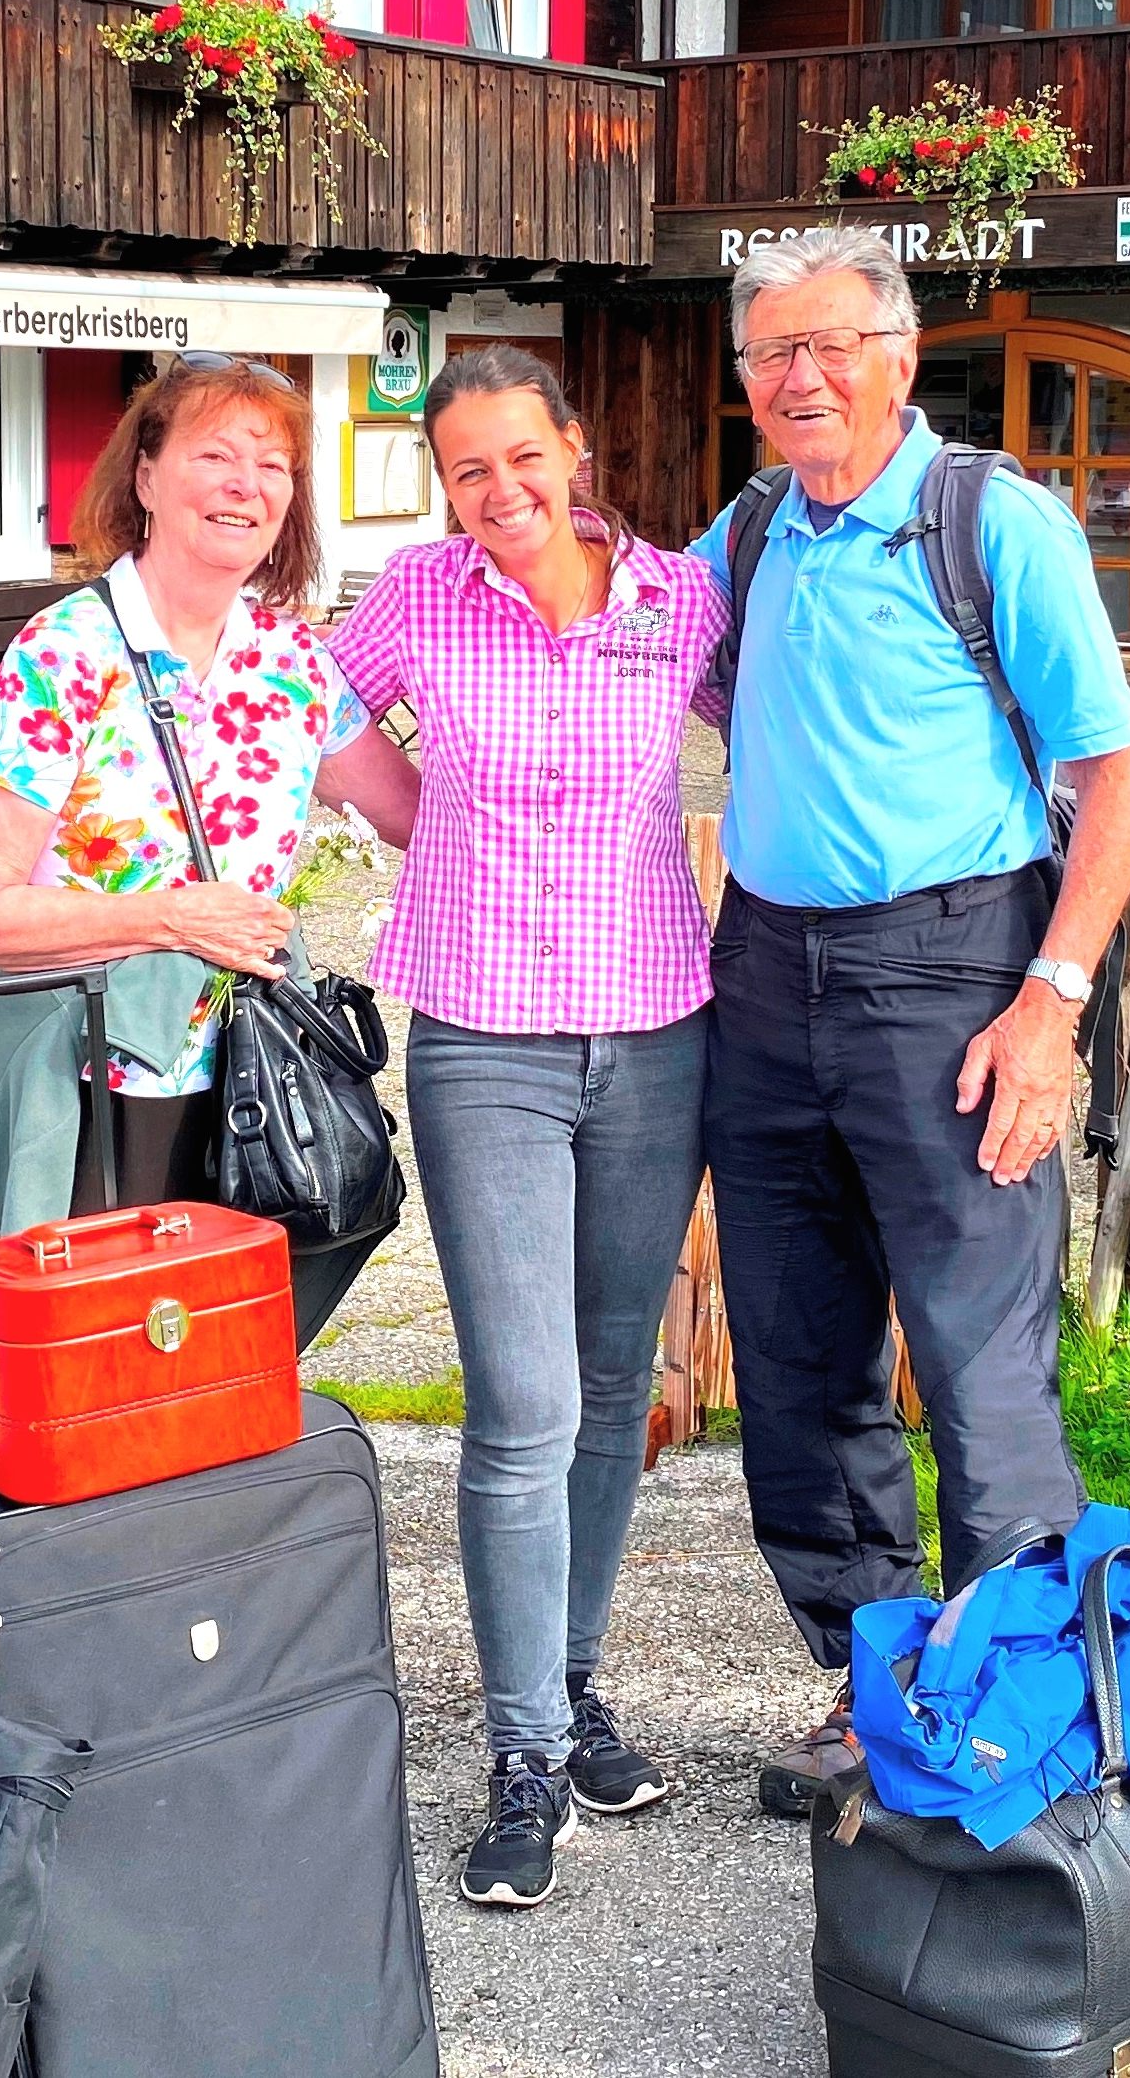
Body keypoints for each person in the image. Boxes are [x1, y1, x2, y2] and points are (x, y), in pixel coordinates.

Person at [694, 228, 1130, 1818]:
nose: (799, 378)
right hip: (760, 975)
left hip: (954, 973)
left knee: (976, 1364)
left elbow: (1115, 778)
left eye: (829, 345)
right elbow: (637, 661)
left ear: (899, 355)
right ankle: (876, 1680)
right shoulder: (752, 530)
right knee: (802, 1358)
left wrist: (1054, 1004)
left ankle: (1024, 1701)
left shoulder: (992, 526)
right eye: (771, 355)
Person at [326, 348, 728, 1910]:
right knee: (524, 1397)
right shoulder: (423, 595)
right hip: (483, 1034)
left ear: (575, 448)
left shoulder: (678, 600)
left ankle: (569, 1694)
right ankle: (517, 1752)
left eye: (521, 459)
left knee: (617, 1376)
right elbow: (310, 707)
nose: (500, 496)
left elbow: (785, 713)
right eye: (468, 473)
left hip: (653, 1031)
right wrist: (421, 816)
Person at [0, 354, 416, 1208]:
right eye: (216, 455)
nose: (245, 484)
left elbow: (422, 815)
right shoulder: (66, 653)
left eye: (273, 467)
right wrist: (170, 918)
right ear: (146, 475)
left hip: (256, 1080)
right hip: (86, 1082)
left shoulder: (294, 662)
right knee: (96, 1335)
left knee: (235, 1331)